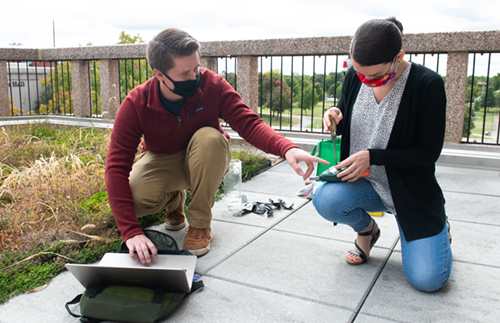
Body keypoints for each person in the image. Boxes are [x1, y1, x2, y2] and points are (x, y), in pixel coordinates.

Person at [105, 28, 328, 263]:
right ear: (159, 74)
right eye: (184, 74)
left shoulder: (213, 85)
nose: (194, 79)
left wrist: (287, 148)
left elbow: (249, 122)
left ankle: (200, 225)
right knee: (136, 199)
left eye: (196, 69)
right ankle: (174, 200)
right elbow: (116, 167)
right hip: (163, 159)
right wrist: (131, 232)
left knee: (209, 138)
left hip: (207, 155)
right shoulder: (137, 103)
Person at [312, 17, 452, 292]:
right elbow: (345, 109)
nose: (366, 80)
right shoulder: (356, 76)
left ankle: (438, 227)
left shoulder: (427, 85)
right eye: (359, 72)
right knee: (325, 198)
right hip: (365, 182)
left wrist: (373, 156)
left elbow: (428, 152)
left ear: (398, 57)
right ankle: (367, 232)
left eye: (373, 76)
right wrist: (334, 115)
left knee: (429, 280)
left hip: (409, 192)